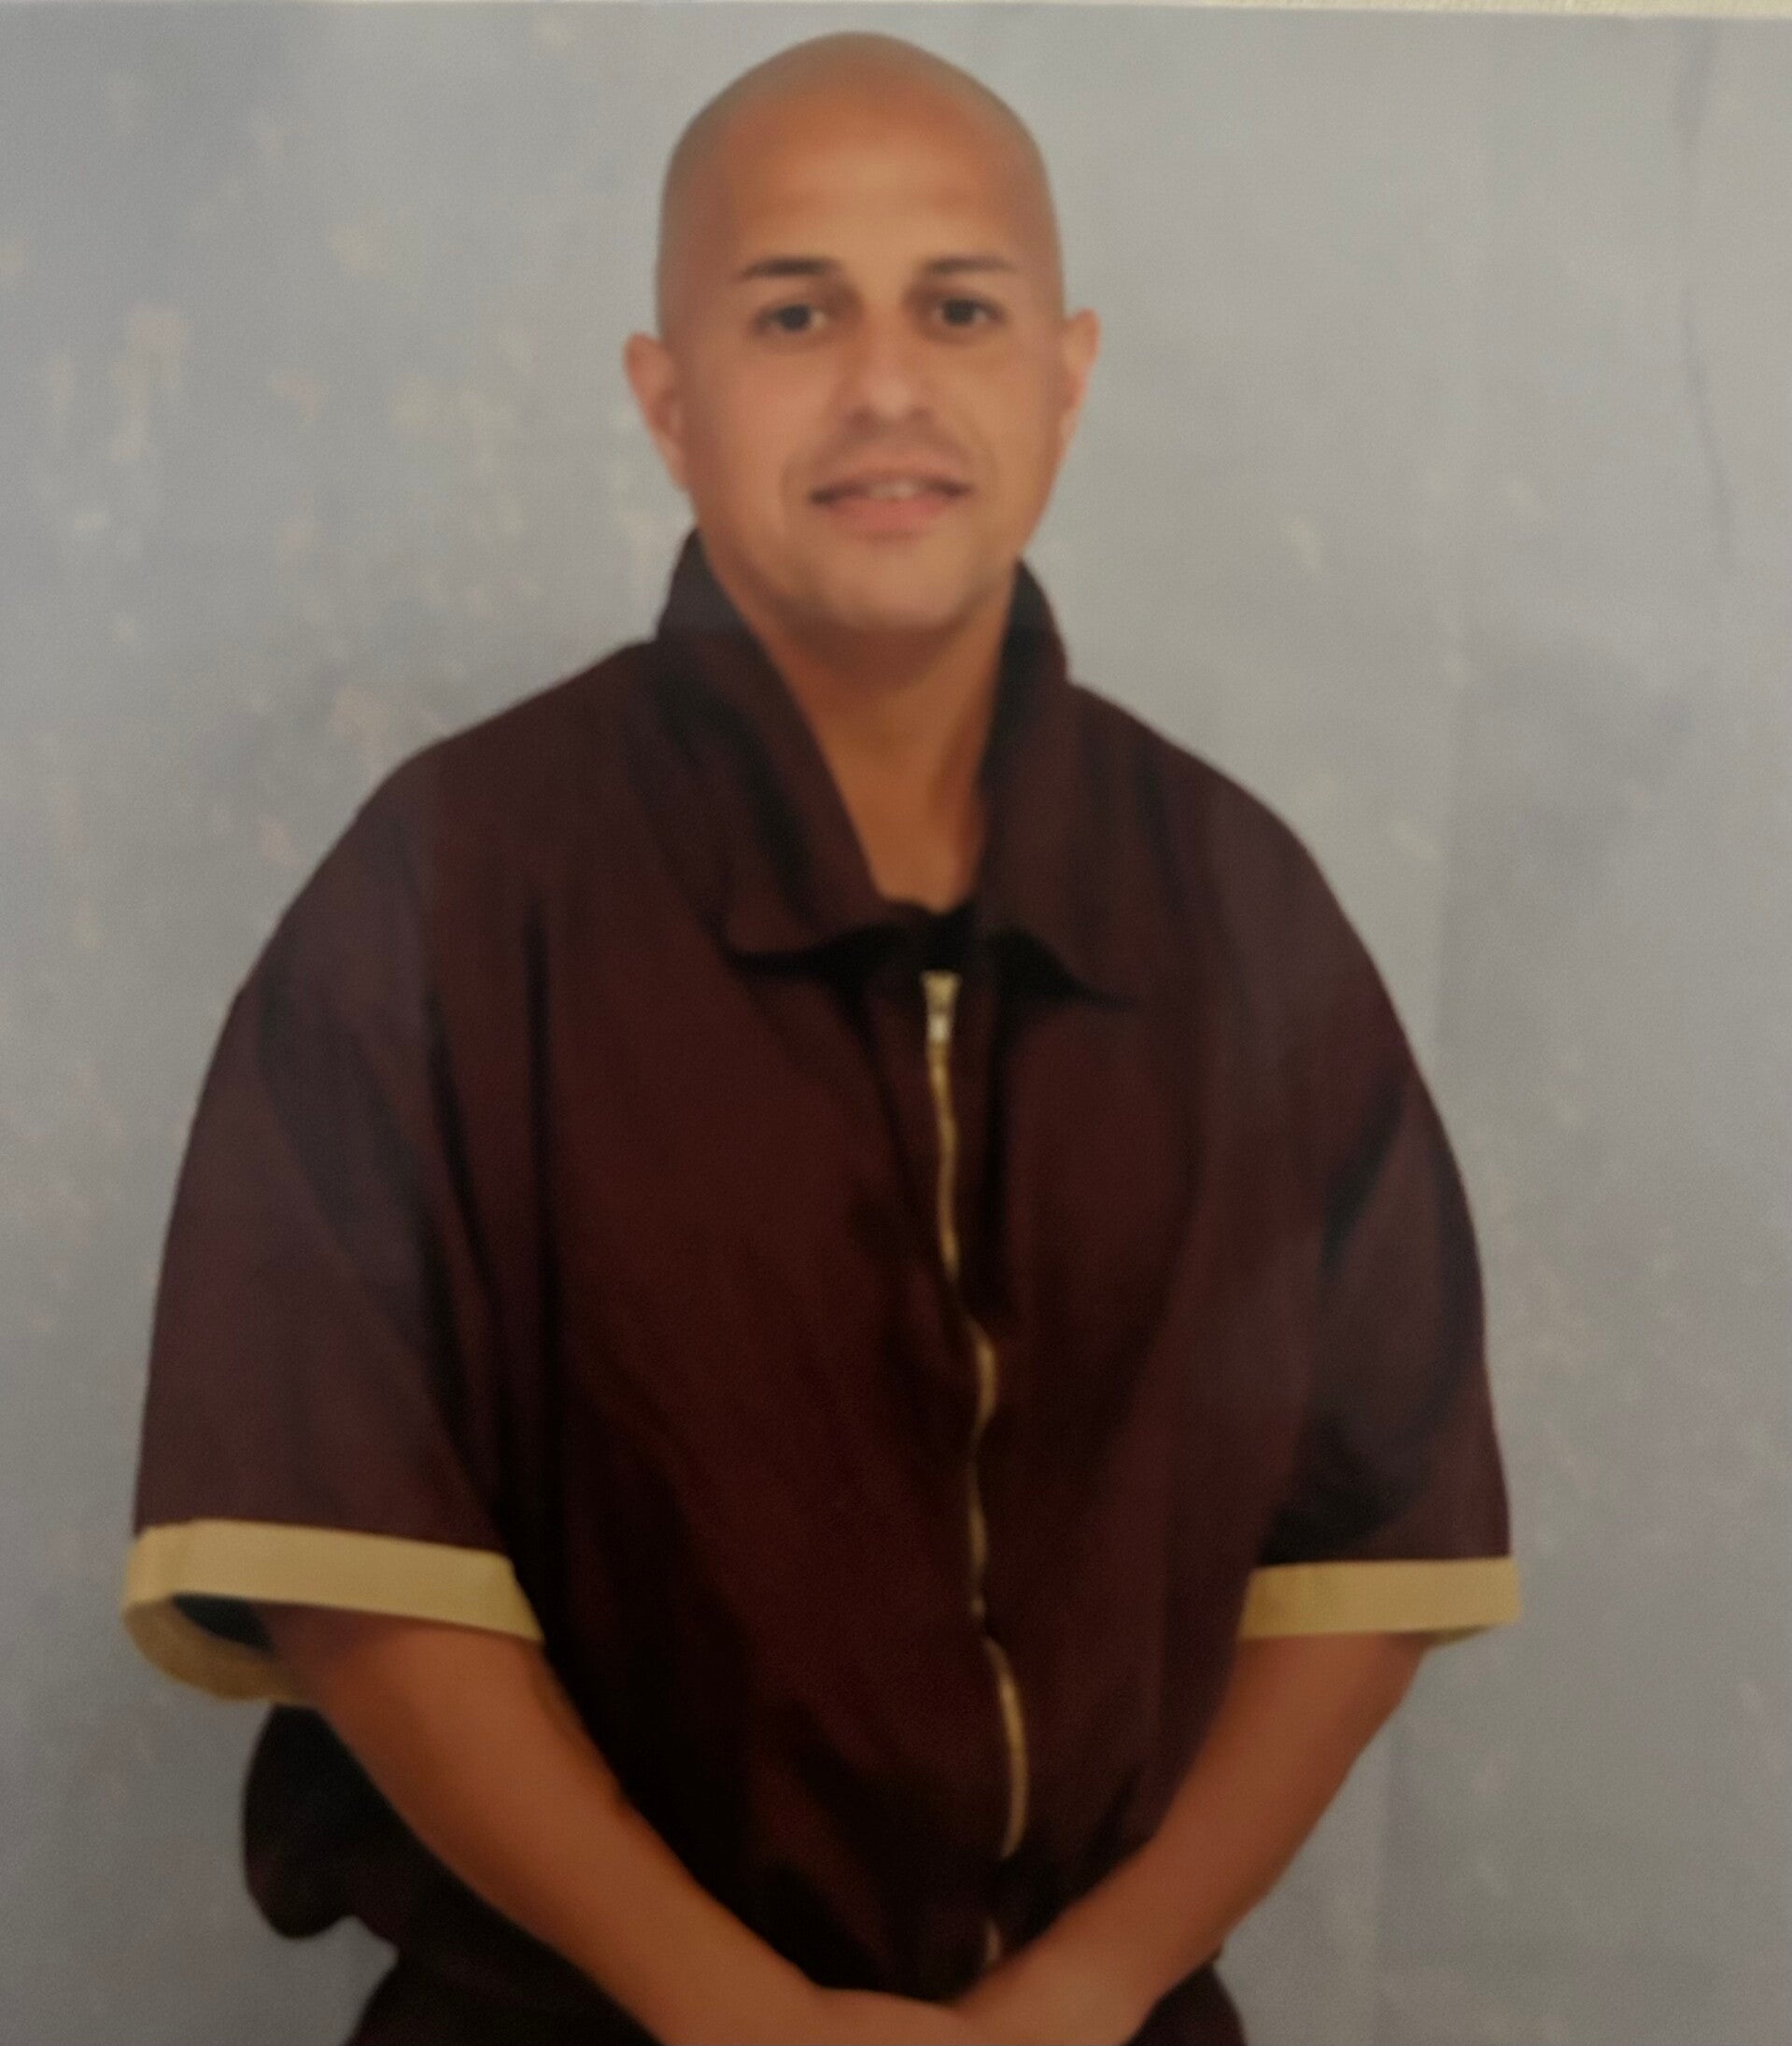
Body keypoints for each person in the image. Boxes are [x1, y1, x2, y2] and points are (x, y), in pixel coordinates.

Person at [121, 30, 1519, 2046]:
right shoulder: (452, 887)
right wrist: (730, 2010)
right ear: (666, 398)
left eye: (960, 308)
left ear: (1067, 376)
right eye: (796, 313)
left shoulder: (1236, 903)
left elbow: (1367, 1533)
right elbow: (349, 1544)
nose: (886, 384)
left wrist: (1091, 1986)